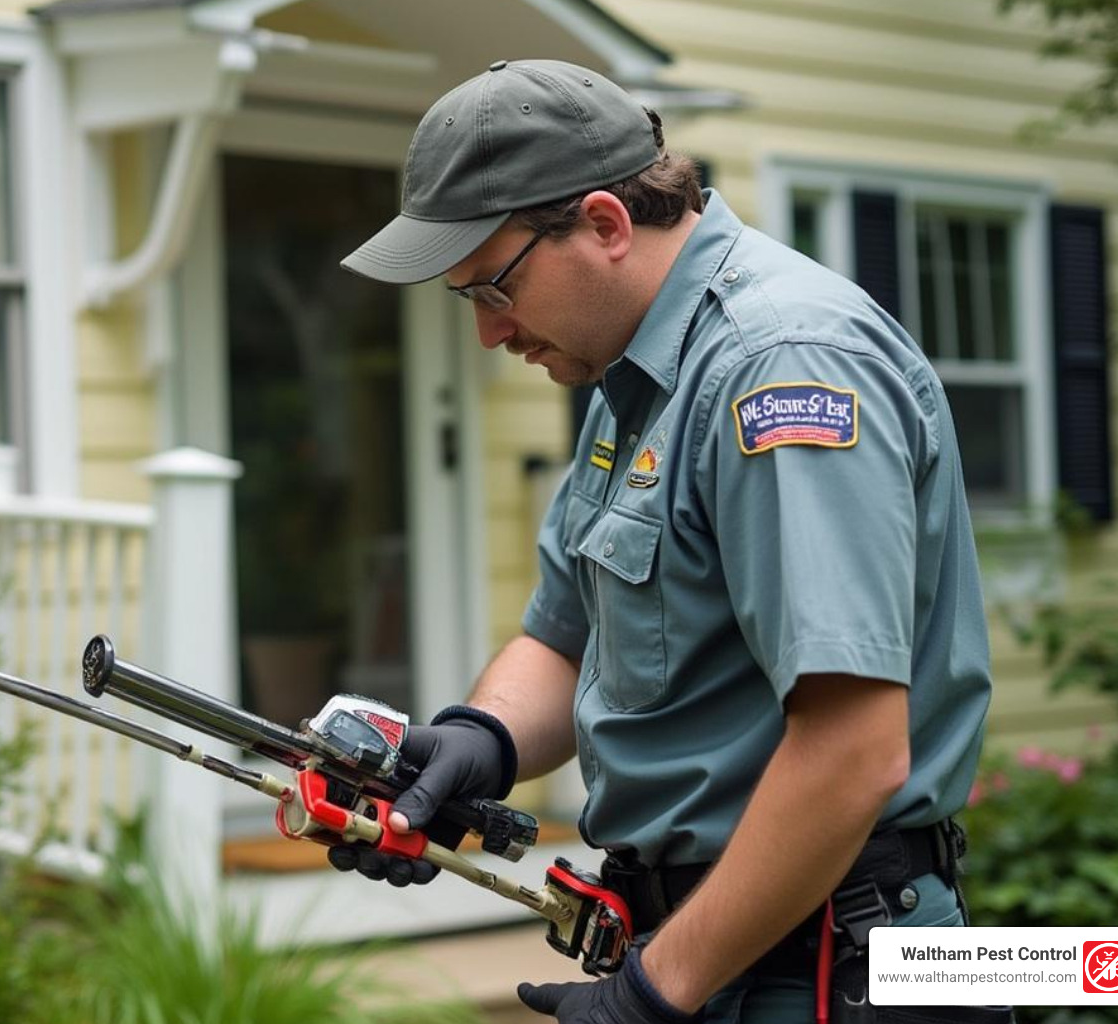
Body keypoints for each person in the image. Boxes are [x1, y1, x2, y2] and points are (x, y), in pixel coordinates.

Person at [331, 59, 998, 1024]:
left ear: (605, 224)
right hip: (731, 955)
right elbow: (568, 636)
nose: (490, 334)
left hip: (835, 969)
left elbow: (854, 750)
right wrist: (476, 745)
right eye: (467, 300)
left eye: (494, 289)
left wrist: (651, 995)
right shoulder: (633, 376)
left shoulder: (781, 366)